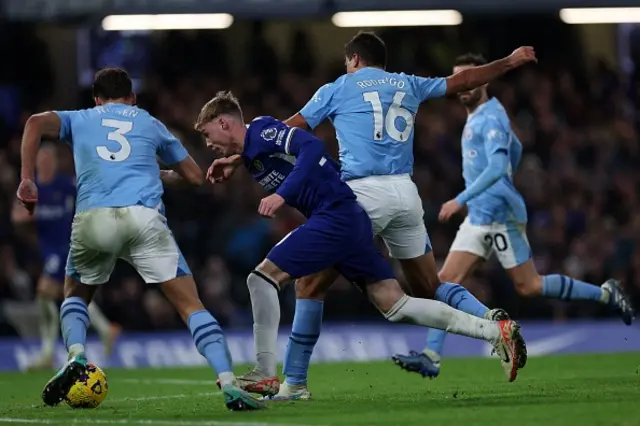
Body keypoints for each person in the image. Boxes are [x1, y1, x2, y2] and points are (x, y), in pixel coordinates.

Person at [230, 31, 537, 399]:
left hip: (361, 196)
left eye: (348, 61)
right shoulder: (408, 83)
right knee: (429, 285)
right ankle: (493, 323)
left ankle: (294, 383)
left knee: (309, 283)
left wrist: (239, 155)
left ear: (355, 59)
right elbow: (464, 81)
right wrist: (508, 61)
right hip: (406, 193)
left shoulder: (339, 87)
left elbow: (286, 131)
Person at [16, 68, 264, 411]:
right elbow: (193, 177)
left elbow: (33, 124)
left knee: (75, 294)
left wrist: (27, 179)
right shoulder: (149, 123)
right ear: (132, 98)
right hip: (144, 218)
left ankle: (76, 355)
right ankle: (228, 381)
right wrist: (155, 172)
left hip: (94, 218)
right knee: (191, 305)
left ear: (97, 99)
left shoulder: (81, 118)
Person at [393, 53, 635, 377]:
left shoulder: (491, 117)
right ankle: (431, 357)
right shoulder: (478, 116)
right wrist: (502, 177)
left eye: (471, 79)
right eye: (460, 81)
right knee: (444, 282)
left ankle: (606, 293)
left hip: (499, 215)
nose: (465, 87)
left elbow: (496, 165)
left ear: (485, 80)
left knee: (529, 286)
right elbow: (516, 147)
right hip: (480, 214)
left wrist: (459, 199)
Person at [12, 144, 120, 372]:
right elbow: (16, 215)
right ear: (37, 163)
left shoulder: (65, 185)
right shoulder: (34, 188)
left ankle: (48, 353)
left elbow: (88, 196)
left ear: (54, 162)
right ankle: (104, 329)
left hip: (66, 247)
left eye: (49, 159)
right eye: (42, 160)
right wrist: (25, 214)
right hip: (47, 250)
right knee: (68, 295)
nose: (46, 164)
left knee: (44, 292)